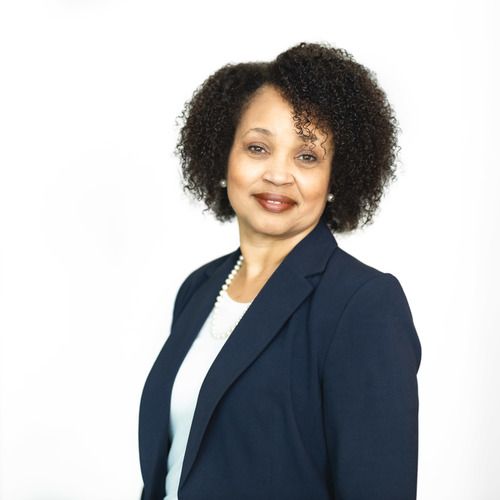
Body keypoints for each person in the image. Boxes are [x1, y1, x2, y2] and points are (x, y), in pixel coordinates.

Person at [138, 41, 422, 500]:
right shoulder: (199, 289)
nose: (278, 174)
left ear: (335, 176)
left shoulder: (362, 304)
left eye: (307, 156)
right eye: (257, 148)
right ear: (224, 157)